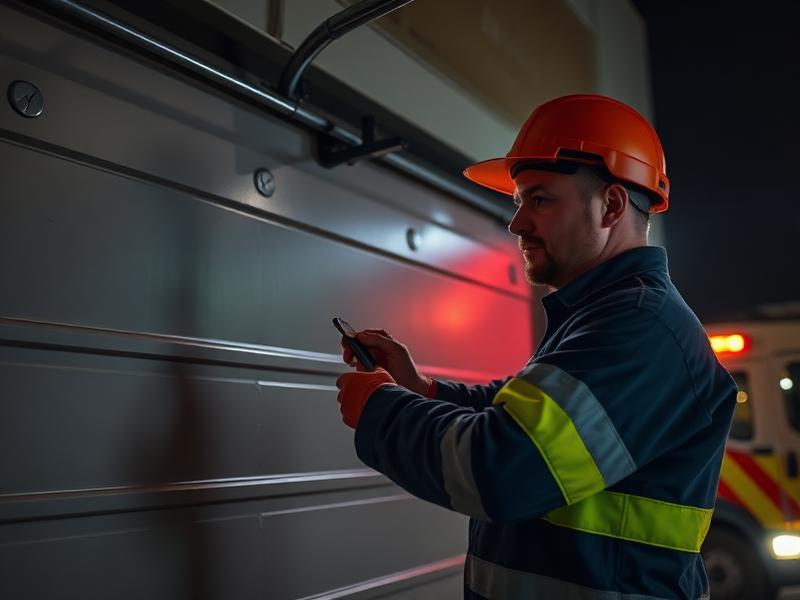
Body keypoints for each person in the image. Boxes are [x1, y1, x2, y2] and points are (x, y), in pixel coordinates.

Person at [335, 94, 736, 599]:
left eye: (540, 199)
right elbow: (525, 421)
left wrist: (379, 409)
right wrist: (423, 389)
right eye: (519, 201)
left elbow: (504, 470)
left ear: (611, 205)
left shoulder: (639, 327)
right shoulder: (603, 315)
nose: (517, 222)